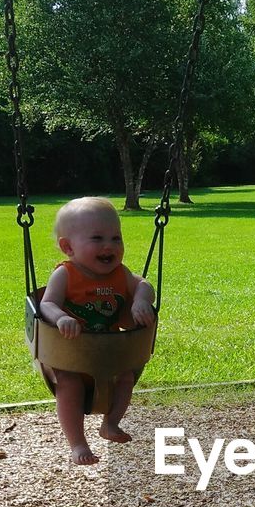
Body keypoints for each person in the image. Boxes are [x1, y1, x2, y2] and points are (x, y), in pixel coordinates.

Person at [39, 196, 155, 464]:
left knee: (126, 377)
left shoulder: (120, 273)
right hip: (71, 355)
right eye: (97, 238)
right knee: (69, 385)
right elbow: (46, 304)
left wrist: (140, 300)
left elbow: (144, 285)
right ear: (68, 247)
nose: (109, 246)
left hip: (108, 354)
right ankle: (78, 444)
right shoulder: (65, 274)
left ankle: (110, 423)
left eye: (116, 238)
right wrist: (60, 319)